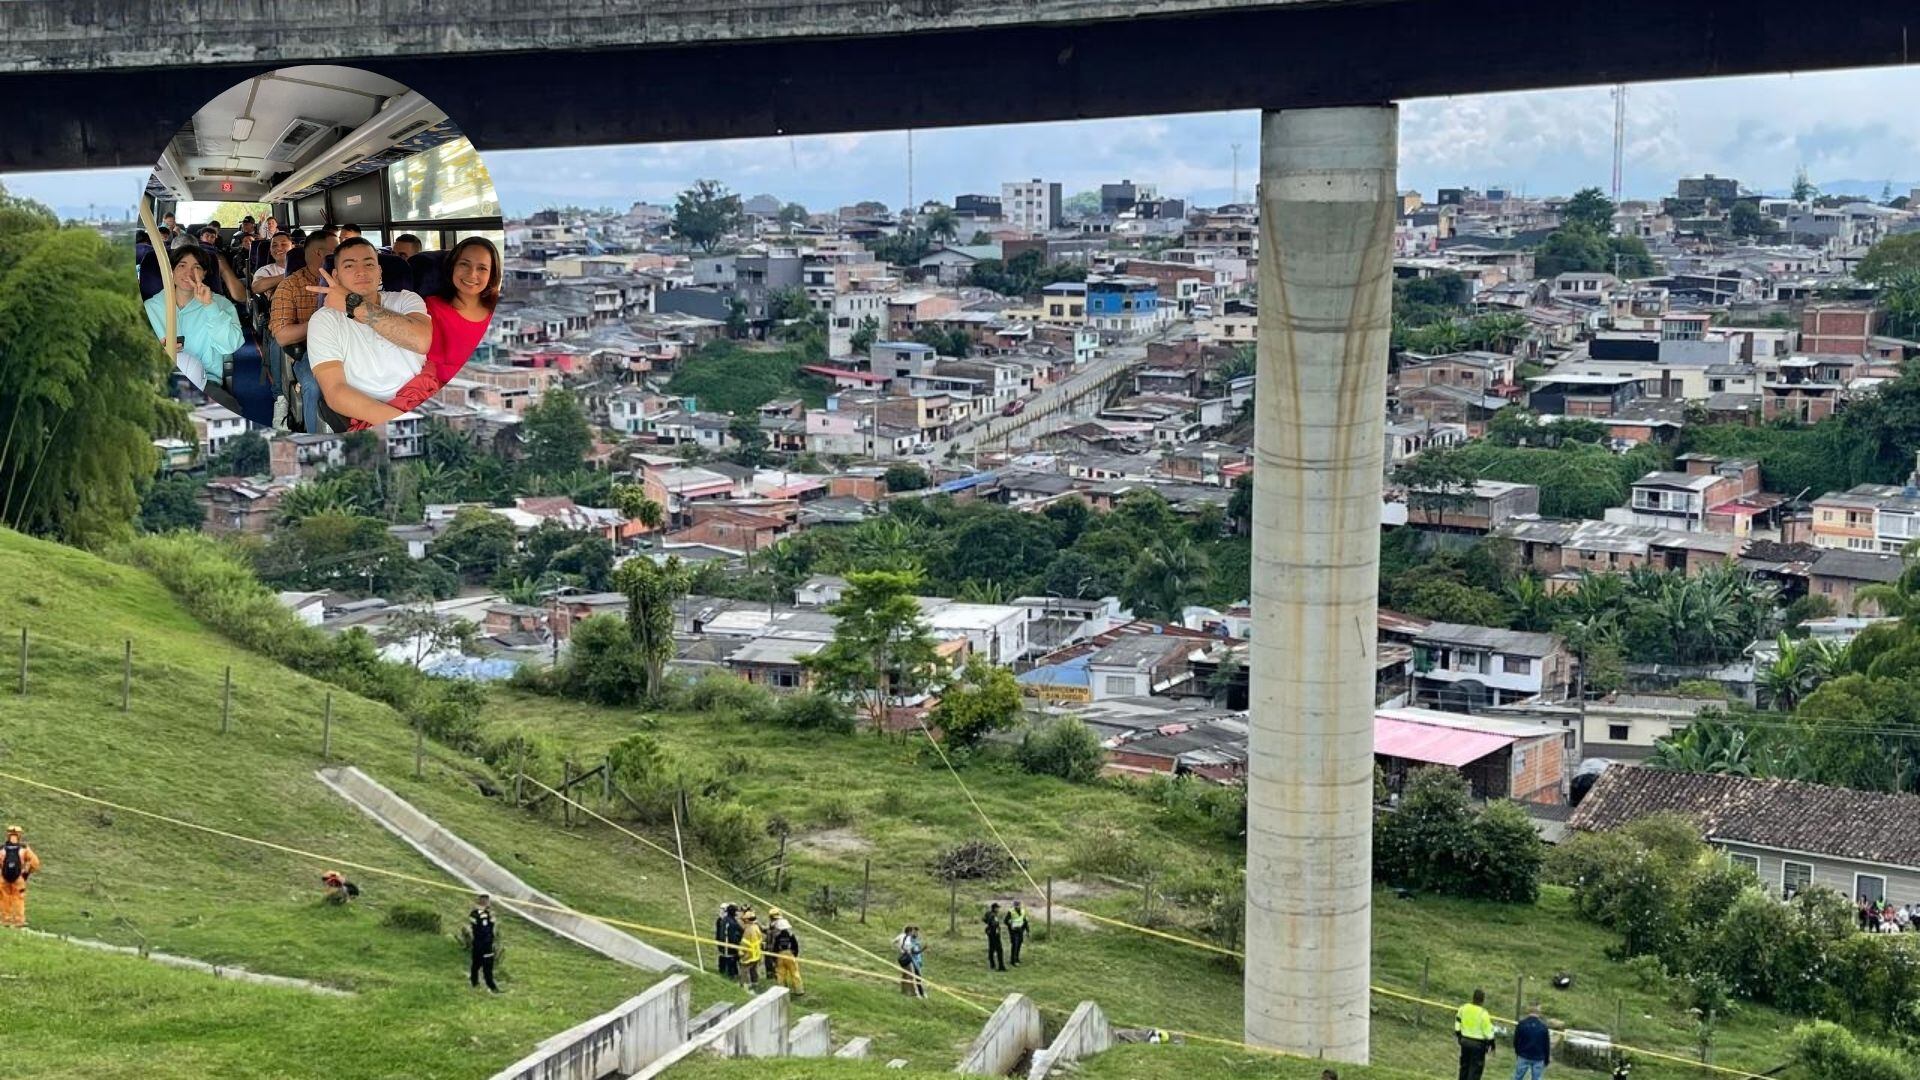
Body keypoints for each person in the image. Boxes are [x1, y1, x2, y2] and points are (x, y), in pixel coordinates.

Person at [304, 237, 432, 428]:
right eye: (349, 266)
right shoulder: (324, 320)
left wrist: (352, 304)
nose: (361, 271)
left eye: (369, 264)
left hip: (422, 396)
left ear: (379, 272)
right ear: (336, 276)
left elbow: (420, 341)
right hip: (371, 412)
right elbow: (335, 391)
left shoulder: (406, 300)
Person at [144, 246, 244, 388]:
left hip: (206, 380)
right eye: (182, 265)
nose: (189, 273)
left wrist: (210, 307)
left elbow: (230, 345)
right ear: (171, 271)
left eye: (196, 267)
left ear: (204, 273)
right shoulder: (150, 307)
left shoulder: (222, 304)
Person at [423, 236, 499, 383]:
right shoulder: (432, 308)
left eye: (482, 268)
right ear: (452, 266)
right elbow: (433, 367)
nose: (472, 274)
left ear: (491, 275)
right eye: (464, 264)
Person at [0, 825, 42, 928]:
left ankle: (5, 920)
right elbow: (35, 863)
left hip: (3, 878)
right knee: (18, 899)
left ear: (7, 835)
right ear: (19, 835)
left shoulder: (1, 849)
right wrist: (26, 873)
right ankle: (18, 921)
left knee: (3, 898)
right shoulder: (24, 849)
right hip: (19, 879)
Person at [1456, 988, 1497, 1080]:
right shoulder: (1483, 1013)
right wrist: (1492, 1044)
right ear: (1483, 1000)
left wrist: (1459, 1035)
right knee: (1475, 1070)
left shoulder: (1463, 1008)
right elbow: (1488, 1031)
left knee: (1464, 1066)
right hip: (1478, 1044)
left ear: (1473, 997)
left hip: (1465, 1041)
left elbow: (1458, 1022)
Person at [468, 893, 500, 992]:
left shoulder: (488, 914)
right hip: (481, 943)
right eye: (485, 901)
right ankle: (476, 982)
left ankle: (491, 986)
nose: (487, 903)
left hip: (487, 943)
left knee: (487, 965)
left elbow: (490, 927)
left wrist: (490, 918)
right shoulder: (475, 914)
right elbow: (480, 928)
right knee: (477, 964)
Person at [1511, 1003, 1550, 1080]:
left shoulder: (1522, 1024)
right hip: (1538, 1057)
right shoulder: (1543, 1027)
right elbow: (1546, 1045)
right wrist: (1546, 1059)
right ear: (1539, 1013)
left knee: (1517, 1077)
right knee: (1537, 1078)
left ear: (1529, 1011)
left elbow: (1516, 1041)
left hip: (1523, 1055)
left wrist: (1518, 1052)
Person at [769, 911, 804, 996]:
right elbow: (795, 946)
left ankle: (782, 990)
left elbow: (775, 948)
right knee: (794, 972)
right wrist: (795, 955)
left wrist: (774, 959)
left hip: (780, 955)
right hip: (790, 955)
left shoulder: (777, 936)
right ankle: (799, 990)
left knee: (781, 974)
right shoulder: (791, 935)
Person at [251, 233, 295, 297]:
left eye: (283, 244)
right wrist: (291, 275)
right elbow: (256, 287)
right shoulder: (265, 270)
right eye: (274, 245)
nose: (279, 248)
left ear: (293, 247)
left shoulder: (304, 266)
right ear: (270, 251)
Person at [895, 925, 927, 997]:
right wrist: (923, 949)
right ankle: (918, 993)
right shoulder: (909, 940)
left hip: (917, 962)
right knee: (915, 978)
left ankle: (908, 992)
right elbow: (913, 951)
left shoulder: (915, 941)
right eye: (914, 932)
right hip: (912, 961)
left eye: (917, 932)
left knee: (909, 977)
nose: (916, 933)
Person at [738, 908, 764, 989]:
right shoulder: (756, 927)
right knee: (754, 970)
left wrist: (741, 952)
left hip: (748, 955)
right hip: (756, 954)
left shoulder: (748, 930)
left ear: (747, 920)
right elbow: (760, 939)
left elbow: (744, 943)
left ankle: (746, 986)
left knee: (744, 970)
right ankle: (755, 983)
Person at [715, 903, 741, 980]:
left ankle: (725, 973)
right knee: (730, 961)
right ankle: (731, 976)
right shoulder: (731, 922)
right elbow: (733, 935)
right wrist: (737, 944)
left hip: (723, 944)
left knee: (724, 958)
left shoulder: (724, 920)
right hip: (729, 946)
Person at [1005, 900, 1029, 966]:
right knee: (1014, 945)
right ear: (1014, 905)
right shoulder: (1010, 911)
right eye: (1016, 905)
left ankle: (1017, 958)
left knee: (1019, 944)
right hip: (1013, 930)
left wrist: (1027, 931)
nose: (1017, 907)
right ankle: (1012, 960)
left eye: (1018, 905)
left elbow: (1025, 921)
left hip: (1020, 930)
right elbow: (1006, 921)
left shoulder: (1023, 911)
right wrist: (1010, 925)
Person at [984, 902, 1006, 971]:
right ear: (995, 908)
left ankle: (992, 964)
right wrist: (996, 929)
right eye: (997, 908)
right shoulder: (993, 916)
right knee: (999, 950)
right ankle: (1001, 966)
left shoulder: (989, 913)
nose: (998, 909)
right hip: (994, 935)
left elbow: (984, 919)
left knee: (991, 949)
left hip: (991, 934)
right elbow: (994, 924)